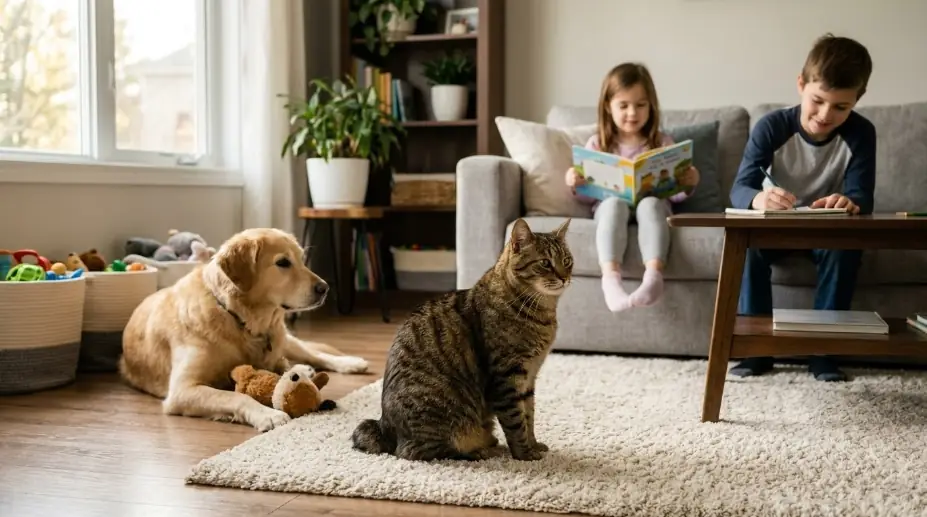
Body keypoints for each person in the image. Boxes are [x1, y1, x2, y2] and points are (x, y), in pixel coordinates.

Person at [728, 33, 876, 382]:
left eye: (841, 107)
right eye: (818, 100)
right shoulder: (771, 127)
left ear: (859, 98)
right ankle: (756, 350)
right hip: (776, 229)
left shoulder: (862, 133)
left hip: (827, 232)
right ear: (801, 84)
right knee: (746, 246)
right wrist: (758, 198)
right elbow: (739, 189)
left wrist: (849, 202)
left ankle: (823, 353)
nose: (826, 115)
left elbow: (863, 199)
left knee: (846, 250)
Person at [566, 63, 700, 312]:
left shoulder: (661, 142)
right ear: (608, 106)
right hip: (611, 206)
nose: (632, 113)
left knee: (650, 204)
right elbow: (586, 199)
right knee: (613, 205)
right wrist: (576, 183)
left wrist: (688, 182)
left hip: (653, 205)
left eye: (641, 105)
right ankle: (611, 281)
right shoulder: (598, 144)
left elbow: (677, 194)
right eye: (623, 105)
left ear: (651, 106)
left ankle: (653, 278)